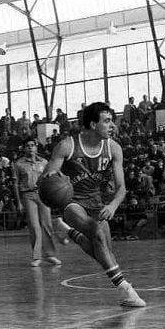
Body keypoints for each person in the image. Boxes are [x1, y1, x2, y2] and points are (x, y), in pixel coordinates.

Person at [41, 102, 146, 307]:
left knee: (103, 251)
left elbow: (122, 187)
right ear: (92, 124)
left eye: (112, 121)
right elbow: (50, 175)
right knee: (97, 232)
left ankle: (69, 232)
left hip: (97, 202)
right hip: (73, 202)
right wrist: (50, 175)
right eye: (107, 121)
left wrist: (113, 206)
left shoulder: (113, 148)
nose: (112, 126)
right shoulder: (67, 145)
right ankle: (127, 290)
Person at [13, 137, 63, 267]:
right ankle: (36, 257)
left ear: (36, 147)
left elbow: (51, 177)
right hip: (28, 195)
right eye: (27, 145)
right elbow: (15, 184)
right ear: (23, 148)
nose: (30, 147)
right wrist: (18, 202)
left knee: (47, 225)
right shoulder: (18, 164)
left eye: (32, 145)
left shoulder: (44, 162)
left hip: (43, 194)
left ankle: (50, 255)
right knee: (34, 226)